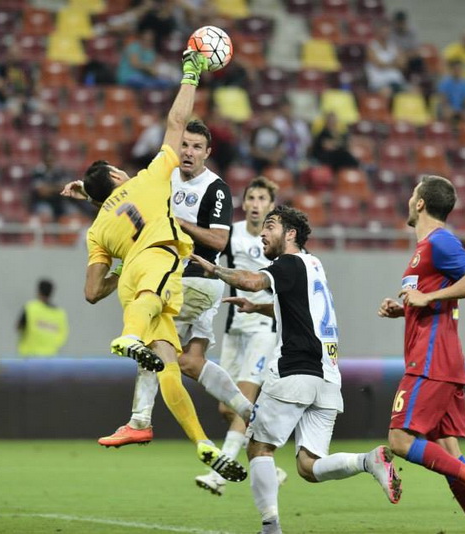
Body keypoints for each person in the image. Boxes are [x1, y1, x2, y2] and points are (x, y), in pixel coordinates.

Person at [64, 50, 247, 481]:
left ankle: (196, 439)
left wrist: (95, 201)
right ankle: (132, 348)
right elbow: (175, 121)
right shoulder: (151, 177)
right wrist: (190, 74)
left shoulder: (96, 229)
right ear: (115, 176)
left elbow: (91, 292)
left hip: (131, 280)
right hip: (165, 268)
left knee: (167, 362)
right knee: (152, 340)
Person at [192, 205, 401, 534]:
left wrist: (214, 269)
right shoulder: (314, 265)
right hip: (328, 378)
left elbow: (251, 279)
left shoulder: (287, 264)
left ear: (290, 234)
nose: (263, 232)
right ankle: (368, 461)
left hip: (295, 371)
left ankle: (270, 527)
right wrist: (261, 307)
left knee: (259, 447)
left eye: (271, 226)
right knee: (308, 466)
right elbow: (302, 315)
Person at [95, 119, 253, 451]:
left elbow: (220, 239)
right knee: (191, 363)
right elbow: (129, 200)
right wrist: (90, 188)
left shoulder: (215, 188)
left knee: (153, 342)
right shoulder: (165, 178)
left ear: (207, 153)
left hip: (196, 280)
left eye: (197, 147)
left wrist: (176, 221)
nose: (189, 152)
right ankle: (252, 412)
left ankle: (139, 421)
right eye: (184, 145)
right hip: (177, 279)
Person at [377, 175, 465, 533]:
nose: (408, 201)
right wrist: (404, 309)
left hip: (431, 360)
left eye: (411, 195)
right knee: (448, 451)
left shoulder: (440, 242)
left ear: (420, 203)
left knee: (400, 441)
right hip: (443, 360)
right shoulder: (426, 250)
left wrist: (428, 298)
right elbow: (434, 296)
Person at [194, 176, 287, 496]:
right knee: (227, 407)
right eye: (252, 198)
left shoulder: (278, 240)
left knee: (244, 400)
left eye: (263, 198)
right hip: (234, 327)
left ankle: (219, 471)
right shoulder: (229, 234)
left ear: (271, 206)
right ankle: (270, 465)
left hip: (264, 328)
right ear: (244, 203)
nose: (257, 204)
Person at [17, 279, 70, 356]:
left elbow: (19, 327)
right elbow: (63, 336)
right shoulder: (60, 314)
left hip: (29, 358)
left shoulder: (30, 308)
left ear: (38, 291)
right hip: (49, 359)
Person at [364, 23, 405, 95]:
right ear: (377, 33)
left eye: (387, 32)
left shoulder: (394, 46)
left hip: (396, 81)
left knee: (414, 92)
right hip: (379, 83)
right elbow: (379, 65)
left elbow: (402, 64)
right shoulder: (371, 47)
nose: (385, 34)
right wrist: (394, 63)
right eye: (383, 32)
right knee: (387, 92)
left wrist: (386, 64)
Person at [30, 152, 71, 221]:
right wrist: (57, 188)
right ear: (44, 161)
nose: (50, 162)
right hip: (43, 202)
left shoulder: (60, 172)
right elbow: (42, 192)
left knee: (71, 212)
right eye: (48, 160)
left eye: (51, 160)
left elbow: (66, 188)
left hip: (59, 201)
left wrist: (49, 188)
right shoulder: (38, 173)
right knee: (47, 212)